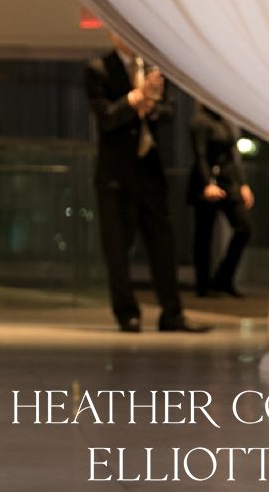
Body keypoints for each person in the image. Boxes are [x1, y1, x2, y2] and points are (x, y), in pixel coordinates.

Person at [85, 28, 209, 334]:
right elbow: (106, 118)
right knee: (117, 248)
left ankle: (172, 313)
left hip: (149, 171)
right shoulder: (99, 69)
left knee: (162, 244)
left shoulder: (155, 70)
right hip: (114, 174)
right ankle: (127, 314)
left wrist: (151, 103)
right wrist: (136, 98)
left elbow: (168, 114)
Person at [188, 103, 254, 297]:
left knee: (244, 228)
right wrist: (207, 182)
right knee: (204, 235)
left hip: (228, 181)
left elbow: (233, 156)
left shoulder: (223, 121)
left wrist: (243, 184)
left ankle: (223, 278)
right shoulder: (199, 122)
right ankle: (203, 285)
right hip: (207, 182)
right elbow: (199, 155)